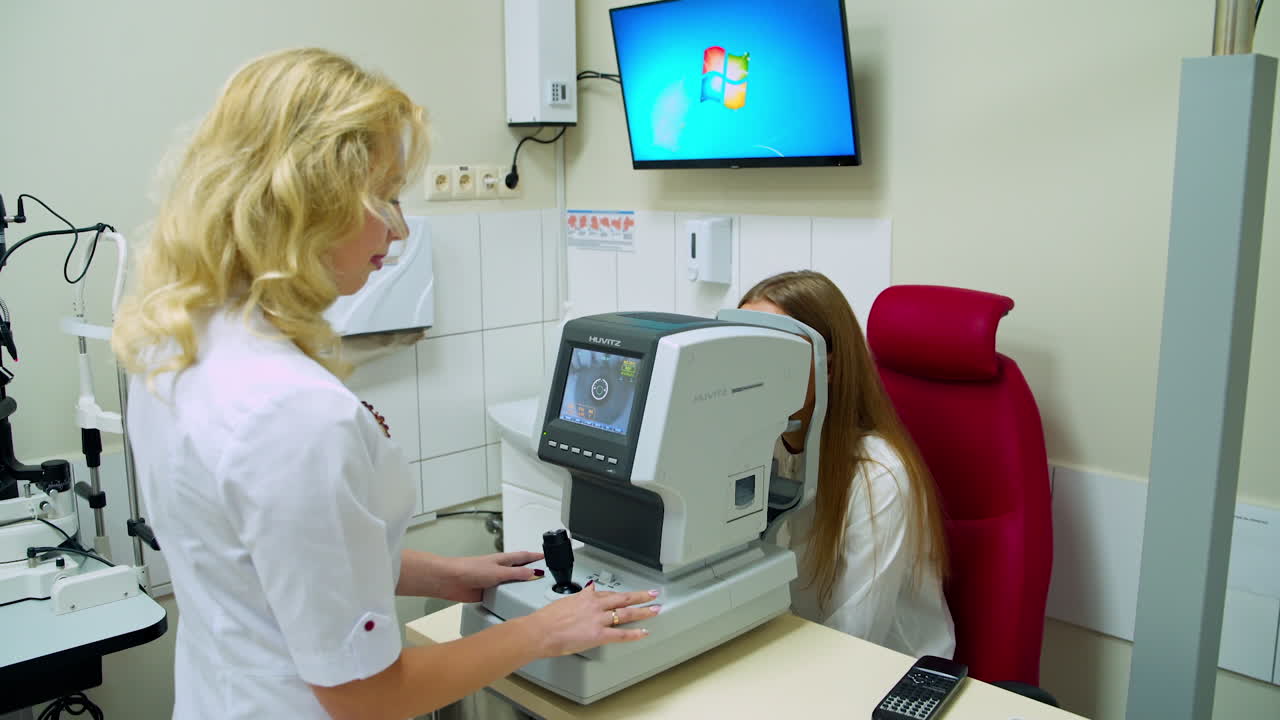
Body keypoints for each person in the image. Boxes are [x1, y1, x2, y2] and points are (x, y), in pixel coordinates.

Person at [111, 48, 658, 720]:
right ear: (306, 197)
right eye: (386, 198)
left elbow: (263, 552)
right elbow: (367, 696)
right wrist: (542, 630)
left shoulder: (174, 335)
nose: (399, 229)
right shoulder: (292, 413)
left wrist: (442, 575)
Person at [738, 270, 955, 658]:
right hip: (787, 648)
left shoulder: (879, 476)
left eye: (773, 353)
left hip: (884, 673)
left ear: (829, 368)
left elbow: (856, 634)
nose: (751, 373)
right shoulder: (755, 448)